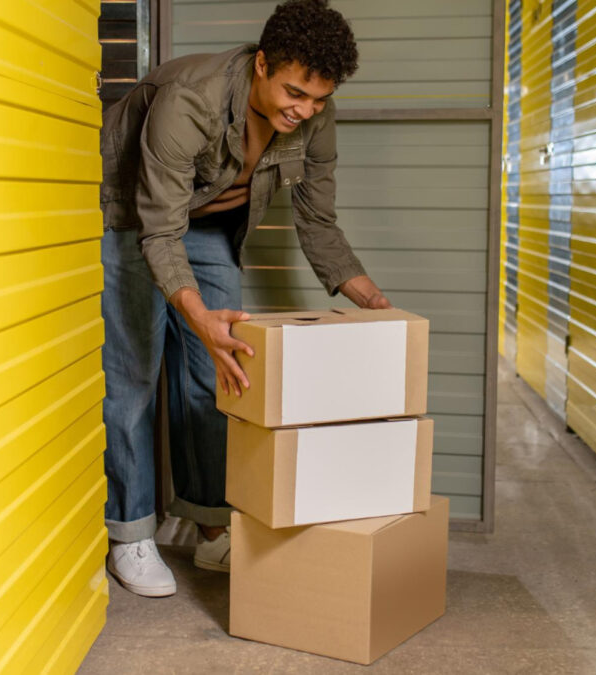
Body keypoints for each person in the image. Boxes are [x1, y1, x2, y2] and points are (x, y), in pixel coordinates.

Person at [99, 0, 391, 598]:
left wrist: (369, 299)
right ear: (262, 64)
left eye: (318, 99)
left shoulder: (315, 115)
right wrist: (197, 312)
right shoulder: (191, 98)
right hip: (135, 218)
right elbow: (159, 228)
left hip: (210, 227)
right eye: (295, 93)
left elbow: (317, 219)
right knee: (134, 374)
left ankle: (210, 527)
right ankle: (130, 533)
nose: (305, 111)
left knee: (217, 376)